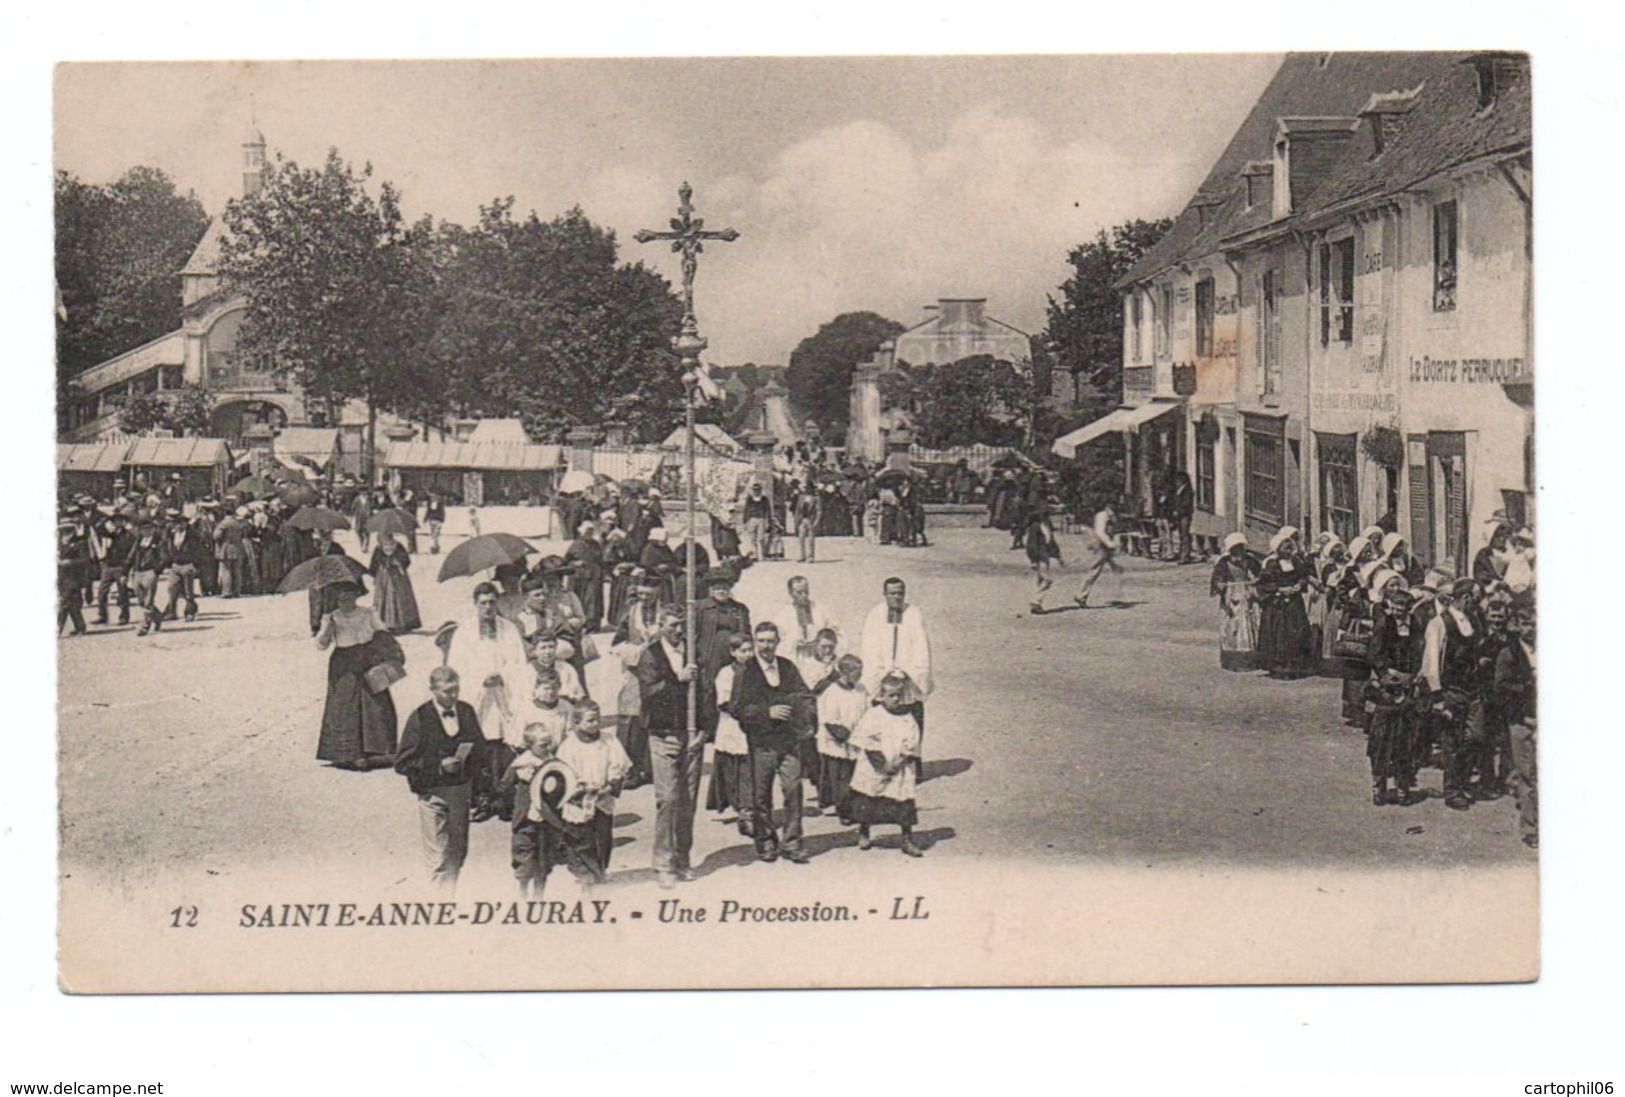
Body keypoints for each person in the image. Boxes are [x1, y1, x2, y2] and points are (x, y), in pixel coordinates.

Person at [444, 581, 533, 818]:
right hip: (477, 697)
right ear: (475, 604)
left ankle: (503, 800)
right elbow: (455, 667)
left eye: (492, 602)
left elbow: (519, 664)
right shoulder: (463, 633)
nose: (488, 607)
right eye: (483, 603)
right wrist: (481, 678)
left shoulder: (509, 629)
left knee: (502, 750)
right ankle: (482, 800)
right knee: (479, 749)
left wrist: (502, 676)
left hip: (504, 696)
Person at [394, 667, 483, 891]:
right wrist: (438, 766)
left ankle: (448, 899)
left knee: (457, 854)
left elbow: (481, 752)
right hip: (433, 794)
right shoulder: (420, 716)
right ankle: (438, 908)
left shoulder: (466, 711)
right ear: (432, 690)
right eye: (446, 691)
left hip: (461, 793)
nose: (453, 696)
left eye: (456, 690)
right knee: (438, 858)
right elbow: (402, 762)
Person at [732, 621, 814, 865]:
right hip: (762, 743)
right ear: (756, 643)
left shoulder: (788, 667)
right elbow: (737, 707)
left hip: (788, 741)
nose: (767, 646)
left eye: (771, 641)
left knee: (793, 789)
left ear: (778, 641)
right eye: (762, 641)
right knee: (761, 795)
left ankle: (792, 842)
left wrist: (799, 713)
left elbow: (805, 694)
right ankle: (765, 840)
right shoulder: (746, 670)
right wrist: (767, 712)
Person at [636, 606, 701, 888]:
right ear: (661, 625)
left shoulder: (692, 653)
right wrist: (678, 679)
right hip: (663, 734)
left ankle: (682, 857)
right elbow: (649, 693)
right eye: (672, 625)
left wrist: (704, 730)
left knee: (688, 801)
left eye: (681, 625)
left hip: (692, 734)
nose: (677, 630)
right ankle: (663, 862)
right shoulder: (650, 655)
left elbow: (706, 690)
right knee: (669, 799)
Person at [314, 579, 402, 770]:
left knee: (375, 703)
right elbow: (321, 646)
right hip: (343, 664)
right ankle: (350, 754)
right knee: (345, 706)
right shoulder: (331, 617)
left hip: (367, 659)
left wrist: (379, 648)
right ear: (336, 599)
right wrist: (327, 631)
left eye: (350, 597)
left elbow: (384, 634)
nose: (346, 601)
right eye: (342, 598)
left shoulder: (368, 613)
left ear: (356, 596)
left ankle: (378, 751)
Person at [845, 671, 925, 856]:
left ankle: (907, 838)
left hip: (900, 767)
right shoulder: (874, 715)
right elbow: (866, 739)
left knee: (903, 802)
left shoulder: (907, 717)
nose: (895, 699)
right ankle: (864, 831)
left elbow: (913, 740)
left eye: (898, 695)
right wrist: (882, 764)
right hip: (875, 766)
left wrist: (902, 759)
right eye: (890, 695)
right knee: (869, 799)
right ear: (881, 696)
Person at [1420, 577, 1482, 811]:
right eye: (1476, 596)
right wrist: (1437, 695)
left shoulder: (1473, 620)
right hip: (1451, 690)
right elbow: (1431, 661)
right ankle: (1453, 790)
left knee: (1474, 737)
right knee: (1451, 742)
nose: (1479, 600)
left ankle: (1463, 781)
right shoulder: (1439, 623)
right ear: (1466, 598)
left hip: (1473, 690)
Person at [1363, 570, 1425, 806]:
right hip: (1387, 688)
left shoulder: (1415, 625)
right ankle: (1378, 786)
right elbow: (1375, 654)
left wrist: (1416, 674)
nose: (1400, 613)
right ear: (1391, 606)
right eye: (1396, 608)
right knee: (1381, 739)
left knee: (1405, 739)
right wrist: (1387, 675)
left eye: (1403, 609)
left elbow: (1420, 652)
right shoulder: (1384, 624)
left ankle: (1402, 785)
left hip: (1408, 685)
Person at [554, 700, 633, 882]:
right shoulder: (569, 746)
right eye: (590, 721)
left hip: (602, 797)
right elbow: (564, 773)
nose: (595, 724)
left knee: (602, 836)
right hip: (579, 800)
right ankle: (585, 872)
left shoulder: (609, 740)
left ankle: (601, 870)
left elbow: (618, 764)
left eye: (597, 719)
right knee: (581, 836)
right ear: (576, 723)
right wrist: (579, 789)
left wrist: (610, 784)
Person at [704, 632, 755, 833]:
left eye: (750, 650)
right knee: (736, 770)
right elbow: (725, 703)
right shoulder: (726, 673)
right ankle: (744, 811)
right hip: (733, 727)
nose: (748, 654)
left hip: (754, 727)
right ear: (733, 652)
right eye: (743, 651)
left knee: (751, 771)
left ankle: (750, 809)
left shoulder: (757, 671)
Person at [1497, 597, 1537, 848]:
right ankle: (1530, 828)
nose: (1530, 628)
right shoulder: (1509, 653)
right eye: (1525, 623)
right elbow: (1500, 687)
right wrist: (1526, 687)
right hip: (1522, 720)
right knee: (1527, 775)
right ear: (1516, 625)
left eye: (1534, 623)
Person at [695, 567, 751, 738]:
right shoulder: (701, 608)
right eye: (717, 588)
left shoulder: (739, 609)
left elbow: (746, 633)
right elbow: (692, 635)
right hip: (709, 655)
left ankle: (732, 726)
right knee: (708, 690)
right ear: (710, 589)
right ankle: (708, 730)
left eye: (725, 588)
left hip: (733, 655)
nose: (721, 591)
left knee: (733, 687)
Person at [1255, 526, 1316, 679]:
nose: (1288, 550)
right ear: (1277, 548)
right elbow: (1263, 584)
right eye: (1285, 547)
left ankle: (1295, 666)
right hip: (1277, 605)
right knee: (1279, 634)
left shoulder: (1295, 561)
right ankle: (1278, 667)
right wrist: (1280, 590)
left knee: (1297, 632)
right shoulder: (1272, 564)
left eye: (1290, 547)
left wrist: (1299, 585)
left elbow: (1303, 576)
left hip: (1294, 603)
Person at [815, 653, 867, 817]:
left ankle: (853, 805)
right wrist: (845, 736)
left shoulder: (861, 689)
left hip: (856, 741)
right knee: (839, 778)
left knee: (854, 775)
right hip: (837, 743)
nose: (860, 675)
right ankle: (843, 809)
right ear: (845, 672)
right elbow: (830, 720)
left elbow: (867, 712)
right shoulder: (832, 692)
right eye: (857, 672)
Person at [1209, 533, 1260, 671]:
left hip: (1246, 597)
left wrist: (1254, 582)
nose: (1238, 552)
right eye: (1235, 548)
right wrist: (1221, 585)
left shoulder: (1250, 560)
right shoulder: (1223, 563)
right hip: (1231, 599)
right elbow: (1217, 580)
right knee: (1232, 628)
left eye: (1241, 548)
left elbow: (1260, 574)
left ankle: (1249, 660)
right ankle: (1232, 661)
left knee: (1248, 627)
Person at [772, 575, 840, 667]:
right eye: (799, 593)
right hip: (796, 658)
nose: (804, 595)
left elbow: (835, 631)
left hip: (819, 657)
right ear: (791, 593)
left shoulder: (820, 609)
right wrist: (794, 641)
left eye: (806, 591)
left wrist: (821, 640)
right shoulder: (782, 616)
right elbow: (778, 641)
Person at [125, 517, 172, 637]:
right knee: (141, 600)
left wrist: (157, 570)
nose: (147, 531)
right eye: (144, 529)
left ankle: (145, 625)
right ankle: (157, 617)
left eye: (149, 529)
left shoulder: (158, 541)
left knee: (148, 600)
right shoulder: (138, 541)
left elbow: (164, 557)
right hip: (137, 572)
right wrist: (126, 571)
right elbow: (131, 556)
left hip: (150, 572)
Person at [368, 531, 422, 634]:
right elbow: (406, 561)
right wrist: (397, 563)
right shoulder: (398, 546)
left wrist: (374, 574)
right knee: (399, 598)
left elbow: (374, 564)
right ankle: (401, 623)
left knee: (384, 599)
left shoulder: (379, 548)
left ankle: (386, 623)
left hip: (385, 577)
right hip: (398, 577)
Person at [1073, 504, 1124, 608]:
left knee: (1102, 568)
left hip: (1104, 546)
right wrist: (1109, 543)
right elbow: (1100, 532)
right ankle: (1081, 594)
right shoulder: (1102, 515)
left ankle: (1082, 595)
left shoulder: (1111, 516)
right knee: (1094, 570)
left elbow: (1114, 530)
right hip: (1100, 544)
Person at [564, 520, 606, 634]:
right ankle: (579, 625)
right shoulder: (575, 544)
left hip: (594, 578)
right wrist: (574, 563)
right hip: (579, 578)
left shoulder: (596, 544)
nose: (589, 533)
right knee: (579, 600)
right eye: (587, 531)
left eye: (591, 531)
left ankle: (593, 626)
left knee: (593, 601)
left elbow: (601, 560)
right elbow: (567, 561)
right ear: (582, 532)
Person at [1023, 499, 1064, 614]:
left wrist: (1058, 556)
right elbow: (1031, 545)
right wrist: (1033, 560)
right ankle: (1035, 601)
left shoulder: (1046, 526)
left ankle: (1037, 605)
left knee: (1040, 580)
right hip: (1039, 556)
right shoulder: (1035, 527)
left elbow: (1051, 542)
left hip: (1044, 555)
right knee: (1048, 580)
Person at [93, 512, 133, 626]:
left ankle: (124, 616)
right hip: (108, 565)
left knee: (122, 592)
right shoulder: (108, 534)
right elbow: (97, 528)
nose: (117, 523)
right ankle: (102, 615)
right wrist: (106, 519)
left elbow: (130, 552)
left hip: (120, 566)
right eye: (115, 521)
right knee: (102, 592)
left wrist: (126, 568)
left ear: (123, 522)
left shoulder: (128, 535)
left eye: (120, 520)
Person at [57, 518, 90, 637]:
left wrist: (69, 562)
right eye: (63, 529)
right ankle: (80, 626)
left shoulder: (80, 542)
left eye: (68, 529)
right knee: (72, 603)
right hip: (61, 577)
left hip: (74, 577)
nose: (66, 531)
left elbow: (85, 559)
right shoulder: (58, 543)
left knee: (65, 602)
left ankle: (58, 628)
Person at [213, 506, 247, 599]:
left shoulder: (223, 523)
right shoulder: (238, 523)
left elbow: (216, 536)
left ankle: (227, 591)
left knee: (226, 570)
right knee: (237, 571)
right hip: (238, 548)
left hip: (226, 548)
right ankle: (237, 591)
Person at [1167, 466, 1196, 563]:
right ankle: (1182, 554)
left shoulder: (1187, 491)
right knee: (1181, 535)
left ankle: (1185, 556)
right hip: (1179, 515)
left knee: (1185, 535)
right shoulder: (1178, 490)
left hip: (1185, 515)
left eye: (1178, 479)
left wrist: (1178, 511)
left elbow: (1186, 504)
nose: (1176, 481)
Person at [741, 481, 774, 560]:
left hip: (761, 519)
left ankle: (762, 554)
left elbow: (768, 510)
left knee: (761, 538)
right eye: (755, 490)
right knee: (752, 538)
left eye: (758, 490)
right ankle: (755, 555)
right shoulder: (749, 499)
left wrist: (768, 521)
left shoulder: (764, 499)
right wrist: (745, 521)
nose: (756, 492)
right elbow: (746, 510)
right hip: (752, 519)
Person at [793, 483, 820, 563]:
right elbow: (798, 510)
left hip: (810, 519)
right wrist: (796, 520)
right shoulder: (801, 498)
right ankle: (802, 555)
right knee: (801, 538)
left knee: (811, 539)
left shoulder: (816, 498)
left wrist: (816, 521)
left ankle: (811, 556)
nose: (807, 490)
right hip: (802, 519)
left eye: (808, 488)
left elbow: (819, 511)